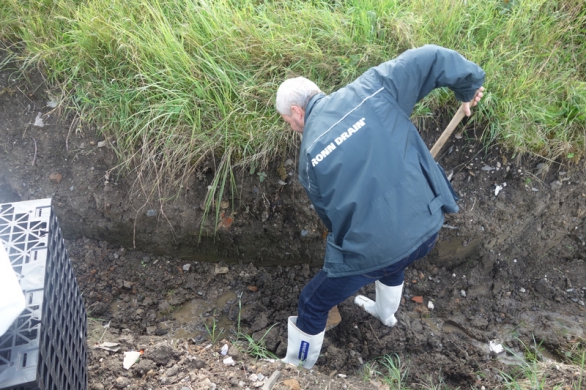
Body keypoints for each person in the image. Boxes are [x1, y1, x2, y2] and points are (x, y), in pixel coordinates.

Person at [275, 44, 485, 369]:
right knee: (392, 259)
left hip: (383, 247)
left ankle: (297, 369)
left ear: (297, 111)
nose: (292, 128)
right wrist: (468, 87)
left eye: (288, 121)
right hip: (427, 226)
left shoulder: (308, 159)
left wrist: (347, 257)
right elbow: (429, 57)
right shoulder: (371, 89)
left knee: (312, 302)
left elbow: (333, 219)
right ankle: (385, 315)